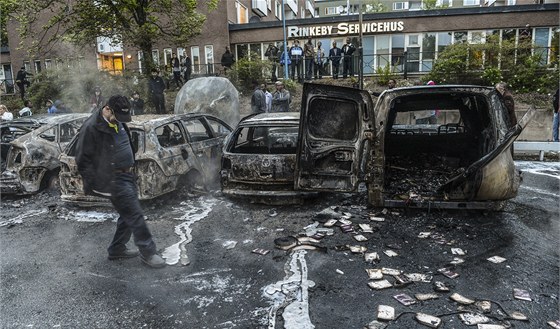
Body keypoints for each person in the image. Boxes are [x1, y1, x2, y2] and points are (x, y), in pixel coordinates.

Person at [75, 95, 165, 268]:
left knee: (127, 215)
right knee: (135, 214)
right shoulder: (91, 128)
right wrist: (97, 183)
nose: (121, 121)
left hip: (127, 175)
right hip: (113, 179)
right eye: (118, 117)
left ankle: (116, 249)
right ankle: (148, 253)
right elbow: (83, 160)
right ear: (107, 109)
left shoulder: (118, 121)